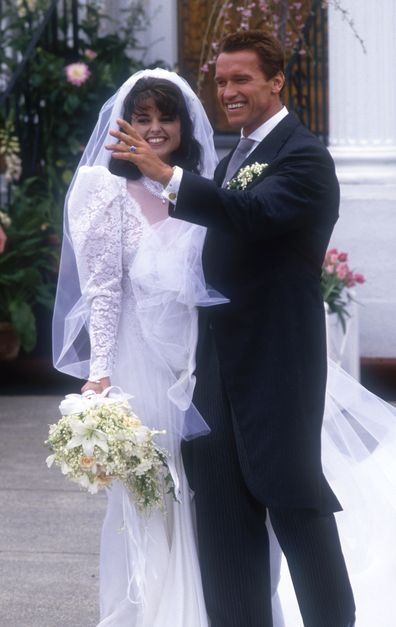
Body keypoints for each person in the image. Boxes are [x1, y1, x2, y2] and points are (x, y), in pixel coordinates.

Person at [106, 31, 357, 627]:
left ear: (276, 82)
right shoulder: (238, 152)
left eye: (241, 79)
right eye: (220, 81)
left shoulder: (303, 155)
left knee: (294, 505)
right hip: (215, 368)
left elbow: (254, 215)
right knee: (221, 516)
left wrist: (165, 176)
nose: (228, 91)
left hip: (275, 368)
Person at [52, 69, 225, 627]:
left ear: (184, 125)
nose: (154, 129)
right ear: (122, 122)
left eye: (165, 118)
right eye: (143, 117)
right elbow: (102, 289)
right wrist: (100, 373)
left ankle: (199, 603)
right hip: (140, 361)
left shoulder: (196, 183)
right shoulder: (103, 190)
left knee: (200, 490)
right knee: (151, 490)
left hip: (195, 358)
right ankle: (152, 611)